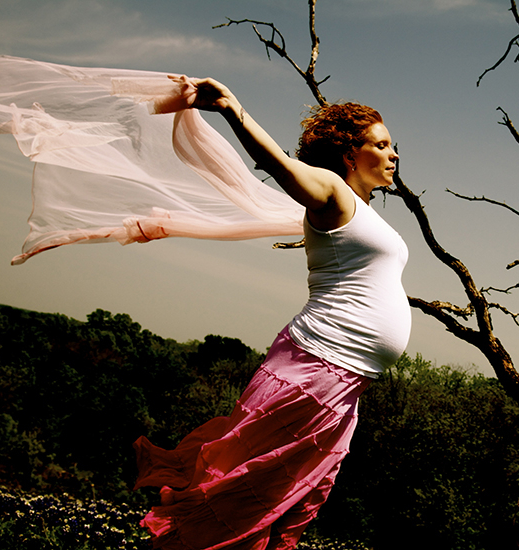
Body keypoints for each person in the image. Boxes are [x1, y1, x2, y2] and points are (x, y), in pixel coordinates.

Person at [133, 78, 411, 550]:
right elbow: (278, 165)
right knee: (244, 497)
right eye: (382, 145)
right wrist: (232, 109)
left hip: (347, 386)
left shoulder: (364, 212)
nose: (394, 154)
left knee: (294, 505)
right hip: (316, 367)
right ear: (350, 154)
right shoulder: (332, 192)